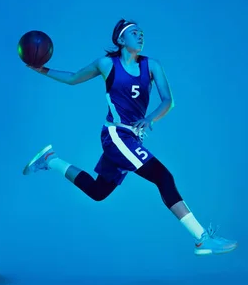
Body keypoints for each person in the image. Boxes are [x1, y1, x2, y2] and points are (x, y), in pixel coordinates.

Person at [22, 19, 237, 255]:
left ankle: (51, 160)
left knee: (98, 192)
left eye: (142, 33)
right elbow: (73, 78)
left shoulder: (152, 65)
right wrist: (40, 70)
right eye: (134, 33)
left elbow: (168, 100)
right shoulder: (107, 64)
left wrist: (151, 118)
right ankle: (201, 238)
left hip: (133, 138)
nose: (140, 36)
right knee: (163, 176)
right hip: (116, 135)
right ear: (121, 40)